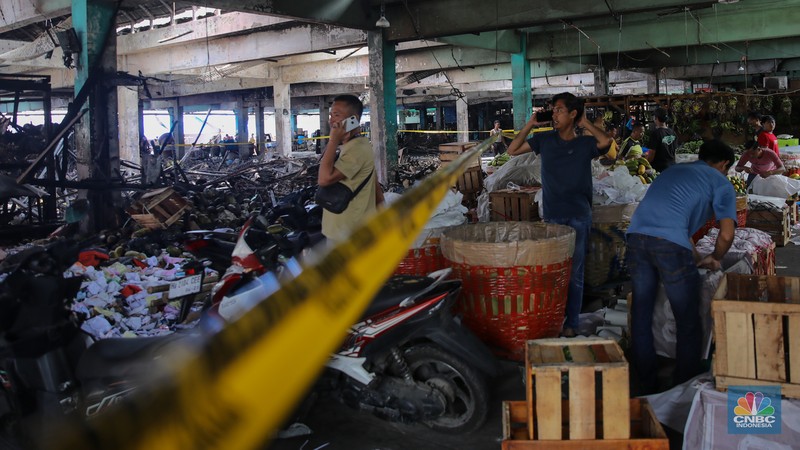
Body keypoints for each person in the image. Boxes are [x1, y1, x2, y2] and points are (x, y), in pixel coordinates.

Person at [626, 139, 736, 395]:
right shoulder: (721, 183)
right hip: (669, 247)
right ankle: (683, 388)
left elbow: (678, 227)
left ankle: (645, 385)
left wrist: (697, 257)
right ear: (724, 164)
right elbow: (727, 235)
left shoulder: (673, 170)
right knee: (687, 318)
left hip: (635, 237)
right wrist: (716, 257)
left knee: (642, 314)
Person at [507, 92, 612, 337]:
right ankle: (552, 320)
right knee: (553, 272)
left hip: (579, 215)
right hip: (553, 216)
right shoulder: (544, 140)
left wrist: (585, 123)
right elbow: (512, 150)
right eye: (553, 110)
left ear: (573, 114)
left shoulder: (585, 144)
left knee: (575, 272)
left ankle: (571, 324)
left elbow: (606, 143)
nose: (554, 114)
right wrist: (531, 124)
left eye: (559, 110)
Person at [318, 94, 381, 243]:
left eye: (336, 115)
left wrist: (333, 139)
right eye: (331, 115)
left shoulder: (357, 149)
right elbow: (374, 183)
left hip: (348, 234)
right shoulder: (352, 145)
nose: (331, 120)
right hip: (344, 230)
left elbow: (324, 179)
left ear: (353, 119)